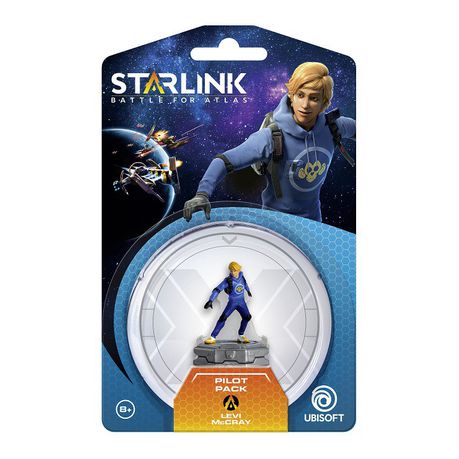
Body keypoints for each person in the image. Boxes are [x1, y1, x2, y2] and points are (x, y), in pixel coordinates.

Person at [184, 62, 356, 222]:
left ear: (324, 102)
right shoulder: (271, 137)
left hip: (313, 222)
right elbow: (224, 160)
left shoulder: (334, 127)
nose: (305, 105)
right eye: (300, 95)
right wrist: (202, 194)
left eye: (314, 98)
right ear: (291, 96)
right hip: (274, 224)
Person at [203, 261, 252, 345]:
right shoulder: (228, 280)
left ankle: (241, 335)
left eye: (235, 270)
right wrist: (211, 300)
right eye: (231, 271)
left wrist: (248, 291)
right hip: (232, 303)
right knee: (223, 318)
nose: (233, 272)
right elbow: (217, 289)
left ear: (239, 270)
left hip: (241, 302)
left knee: (247, 317)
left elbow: (245, 284)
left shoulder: (242, 277)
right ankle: (212, 337)